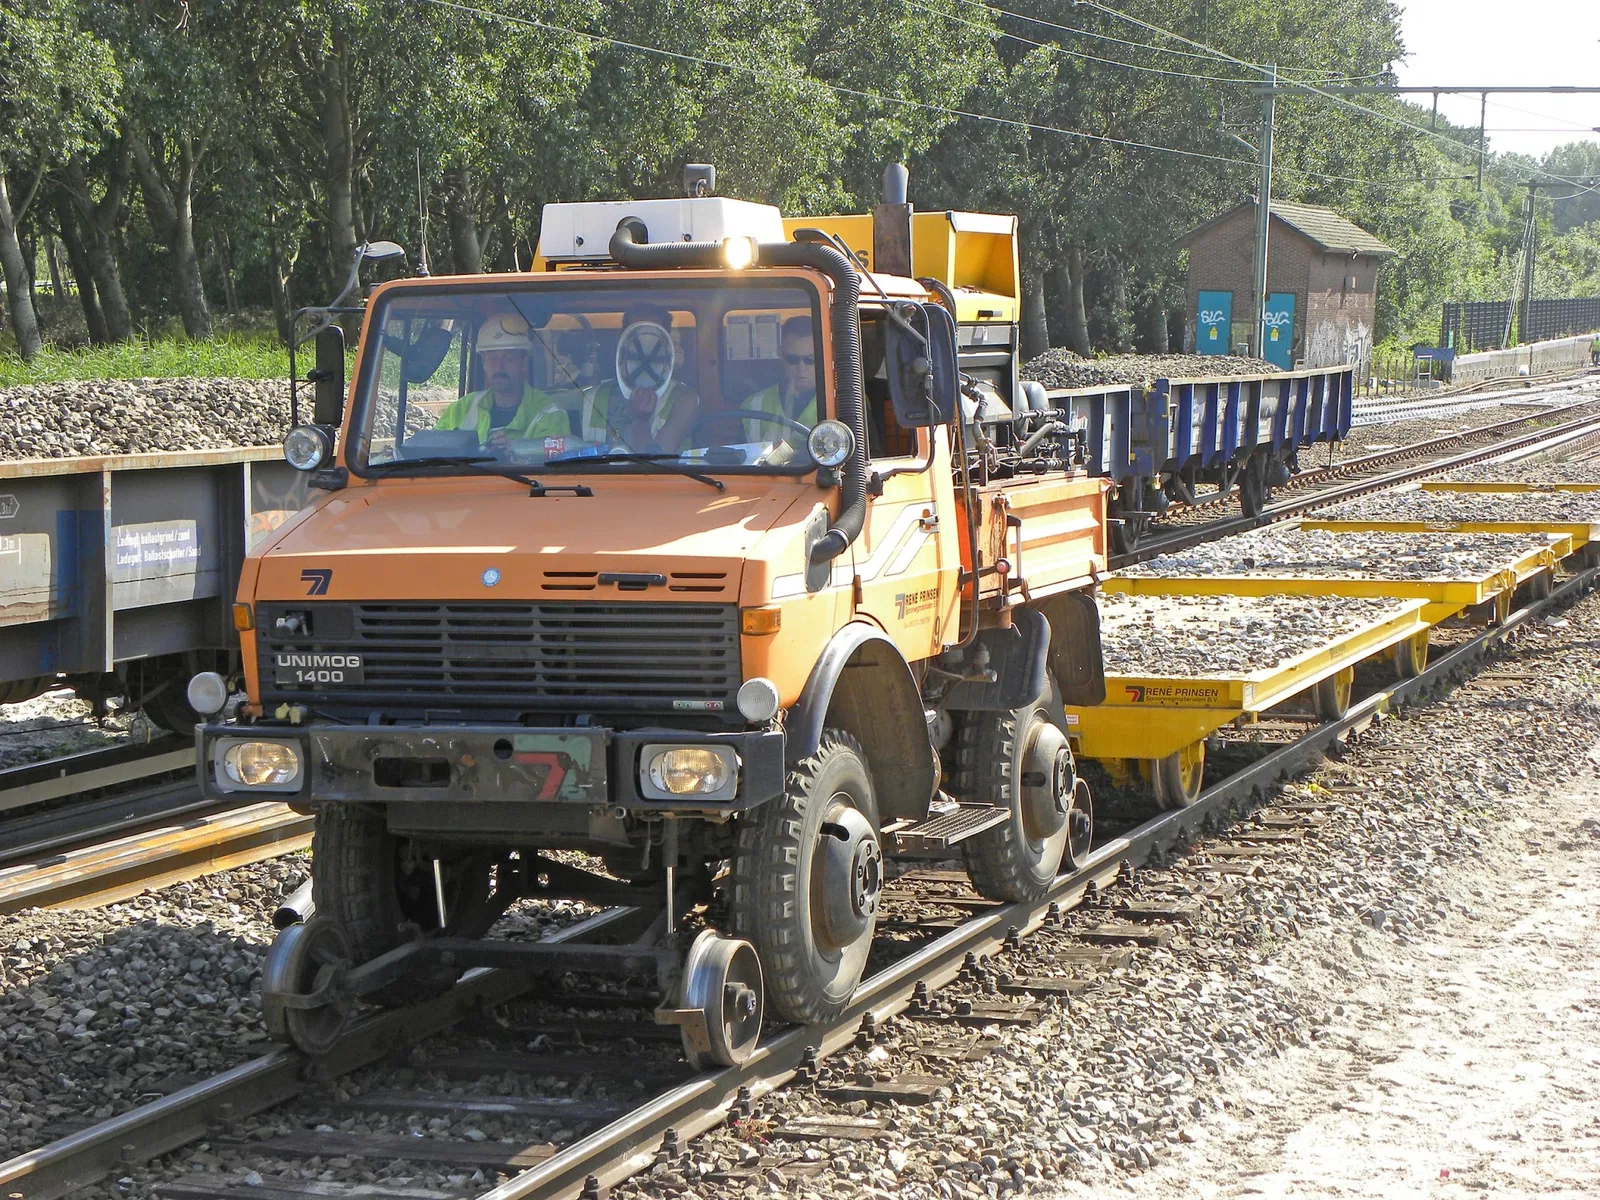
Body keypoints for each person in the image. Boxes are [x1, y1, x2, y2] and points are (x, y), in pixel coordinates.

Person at [433, 313, 569, 450]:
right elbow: (431, 448)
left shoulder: (550, 414)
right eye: (493, 359)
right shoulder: (461, 409)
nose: (499, 367)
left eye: (509, 359)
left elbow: (551, 464)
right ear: (484, 362)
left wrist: (514, 450)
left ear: (524, 363)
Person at [580, 302, 701, 453]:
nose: (645, 342)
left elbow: (657, 463)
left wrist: (641, 420)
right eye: (637, 334)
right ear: (622, 339)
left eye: (652, 334)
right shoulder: (593, 396)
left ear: (666, 343)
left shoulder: (685, 399)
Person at [742, 315, 819, 442]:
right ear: (781, 356)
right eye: (792, 359)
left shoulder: (845, 403)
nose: (801, 367)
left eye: (810, 360)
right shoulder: (753, 404)